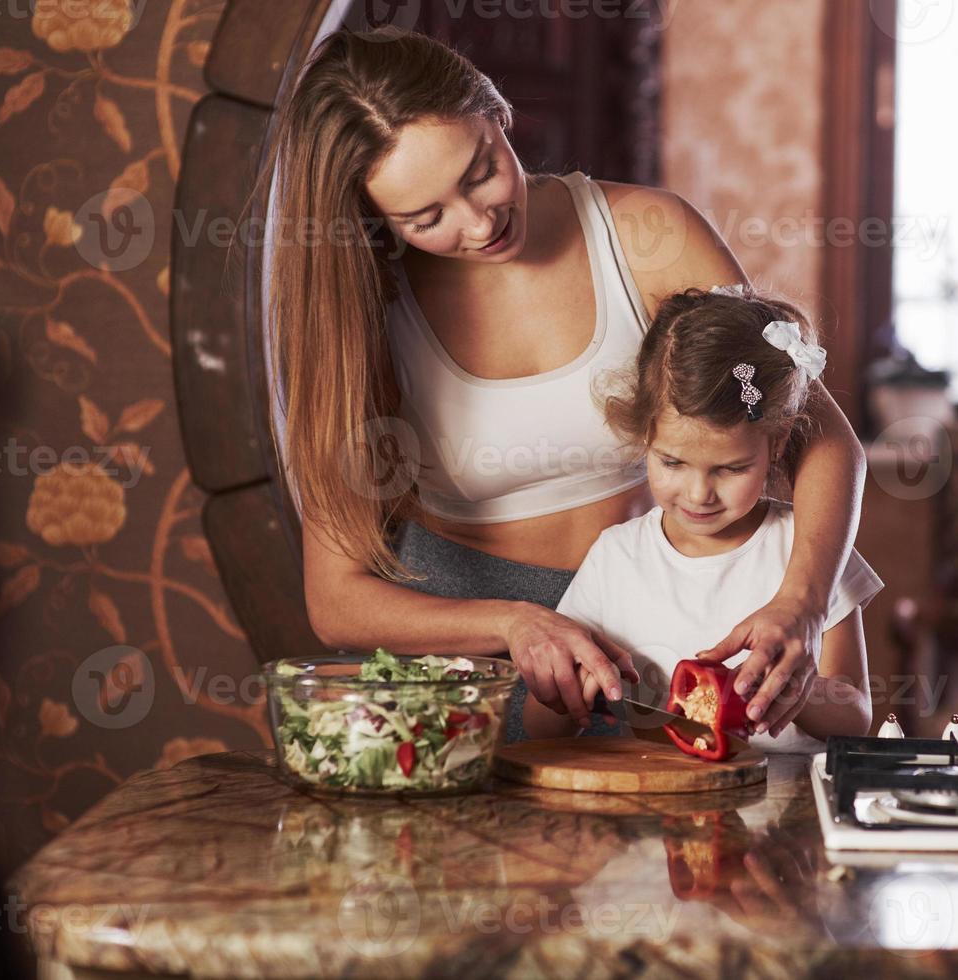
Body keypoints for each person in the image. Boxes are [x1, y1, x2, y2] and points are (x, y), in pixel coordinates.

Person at [255, 26, 868, 743]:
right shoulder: (361, 311)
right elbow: (337, 602)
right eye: (426, 218)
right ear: (372, 217)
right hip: (464, 663)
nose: (480, 222)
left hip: (642, 634)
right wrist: (512, 622)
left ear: (498, 113)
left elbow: (820, 438)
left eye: (481, 169)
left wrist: (802, 601)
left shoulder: (648, 236)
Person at [523, 287, 880, 750]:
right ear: (645, 435)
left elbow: (856, 715)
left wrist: (794, 688)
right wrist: (562, 693)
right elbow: (540, 728)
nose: (698, 494)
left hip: (789, 807)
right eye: (672, 463)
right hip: (659, 809)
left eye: (731, 469)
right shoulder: (616, 557)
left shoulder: (809, 550)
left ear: (777, 442)